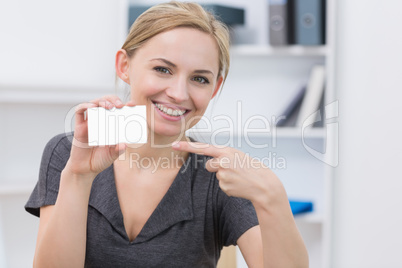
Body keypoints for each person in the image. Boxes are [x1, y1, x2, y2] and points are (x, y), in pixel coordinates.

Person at [25, 1, 308, 267]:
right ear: (124, 66)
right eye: (162, 69)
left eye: (199, 79)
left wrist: (273, 197)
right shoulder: (68, 152)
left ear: (216, 87)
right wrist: (77, 177)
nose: (178, 93)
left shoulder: (219, 178)